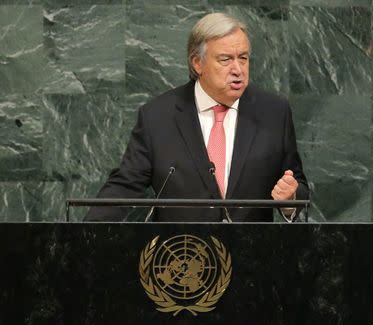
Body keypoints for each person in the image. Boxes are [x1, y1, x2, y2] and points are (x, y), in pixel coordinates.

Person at [84, 12, 309, 222]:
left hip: (252, 255)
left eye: (243, 58)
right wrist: (81, 235)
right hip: (180, 255)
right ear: (197, 63)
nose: (238, 69)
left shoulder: (274, 112)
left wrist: (290, 198)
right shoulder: (158, 116)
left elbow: (296, 183)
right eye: (225, 59)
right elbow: (125, 185)